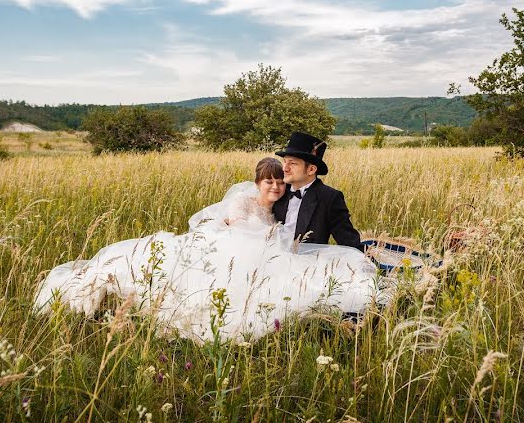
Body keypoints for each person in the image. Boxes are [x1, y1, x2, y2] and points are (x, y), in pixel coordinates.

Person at [34, 157, 378, 342]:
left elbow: (338, 234)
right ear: (259, 183)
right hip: (234, 250)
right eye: (273, 177)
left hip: (280, 255)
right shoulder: (257, 198)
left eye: (286, 170)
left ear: (309, 169)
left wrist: (359, 252)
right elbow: (233, 224)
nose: (279, 179)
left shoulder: (320, 197)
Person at [271, 132, 363, 251]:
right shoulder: (278, 190)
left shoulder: (329, 198)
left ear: (311, 169)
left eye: (292, 163)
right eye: (285, 161)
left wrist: (374, 265)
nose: (285, 168)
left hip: (308, 265)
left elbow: (349, 242)